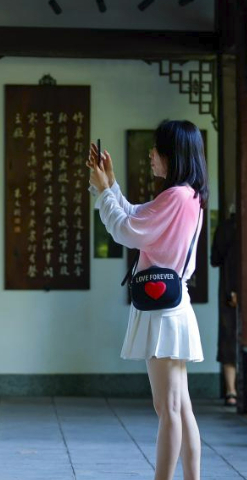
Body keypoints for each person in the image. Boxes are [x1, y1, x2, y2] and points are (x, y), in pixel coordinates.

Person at [88, 120, 207, 480]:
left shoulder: (175, 196)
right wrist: (108, 185)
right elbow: (138, 216)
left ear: (173, 155)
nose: (151, 155)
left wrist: (104, 193)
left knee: (167, 407)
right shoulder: (188, 195)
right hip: (172, 307)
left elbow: (127, 230)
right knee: (180, 406)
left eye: (157, 149)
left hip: (163, 313)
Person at [211, 207, 239, 406]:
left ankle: (231, 392)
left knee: (228, 338)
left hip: (228, 290)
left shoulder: (227, 228)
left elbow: (215, 259)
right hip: (232, 290)